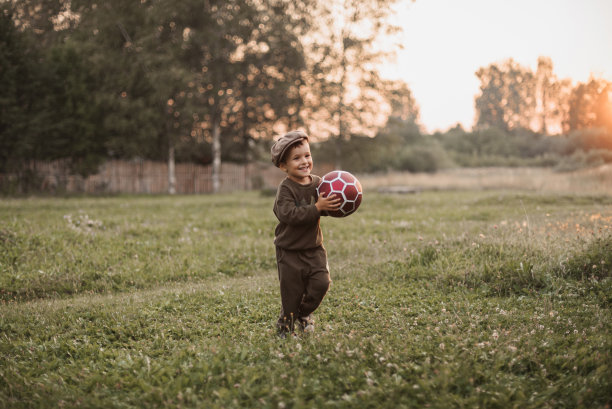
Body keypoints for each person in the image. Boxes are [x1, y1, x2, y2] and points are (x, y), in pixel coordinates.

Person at [270, 130, 341, 338]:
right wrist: (317, 208)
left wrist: (336, 205)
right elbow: (287, 214)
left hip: (314, 248)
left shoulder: (318, 183)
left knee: (322, 282)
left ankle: (303, 314)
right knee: (291, 294)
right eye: (296, 158)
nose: (304, 161)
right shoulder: (286, 189)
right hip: (289, 251)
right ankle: (286, 327)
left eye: (307, 156)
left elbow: (325, 208)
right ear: (283, 166)